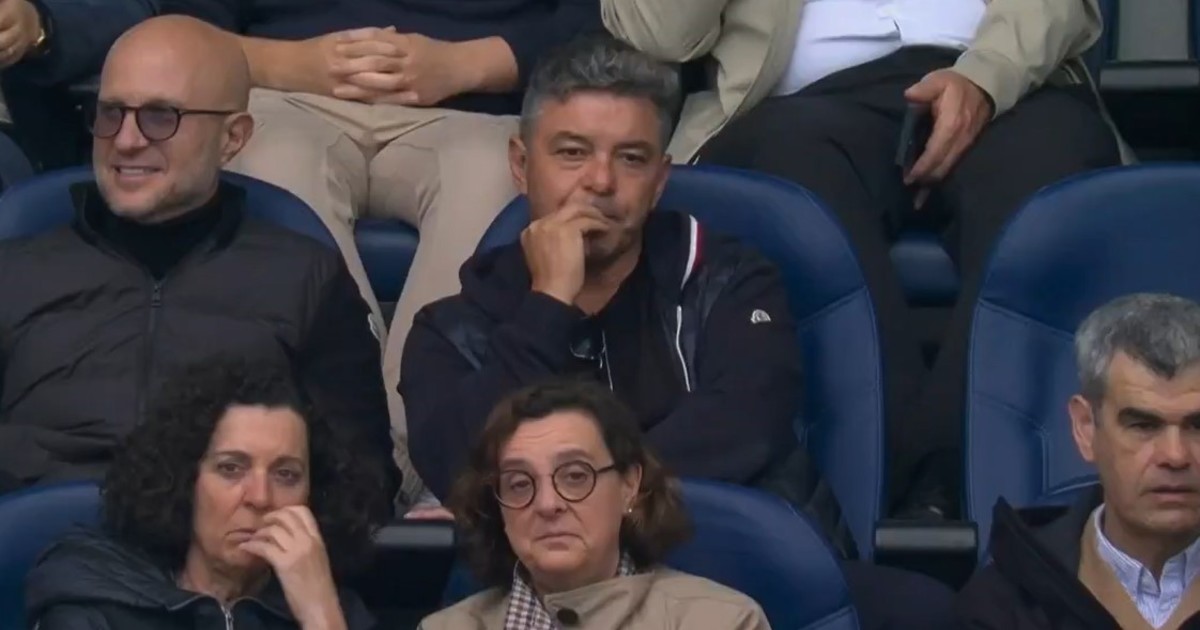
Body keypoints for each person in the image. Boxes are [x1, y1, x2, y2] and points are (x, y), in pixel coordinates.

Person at [404, 36, 957, 630]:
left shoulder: (730, 280)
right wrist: (548, 305)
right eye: (571, 153)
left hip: (740, 573)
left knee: (928, 611)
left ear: (661, 178)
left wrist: (584, 490)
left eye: (631, 158)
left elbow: (746, 424)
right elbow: (463, 467)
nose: (600, 181)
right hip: (551, 597)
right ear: (520, 165)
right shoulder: (453, 328)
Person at [601, 0, 1125, 517]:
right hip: (803, 105)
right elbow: (657, 33)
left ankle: (951, 472)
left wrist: (988, 79)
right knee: (787, 186)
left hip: (1007, 87)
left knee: (1051, 186)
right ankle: (887, 478)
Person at [156, 0, 604, 506]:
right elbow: (182, 24)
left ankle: (423, 462)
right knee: (266, 160)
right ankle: (347, 454)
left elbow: (599, 19)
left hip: (472, 107)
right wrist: (285, 63)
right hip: (285, 96)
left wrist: (468, 63)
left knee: (496, 174)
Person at [0, 15, 396, 500]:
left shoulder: (305, 279)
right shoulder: (14, 273)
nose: (126, 140)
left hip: (232, 540)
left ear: (233, 138)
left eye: (160, 116)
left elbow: (361, 482)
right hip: (35, 536)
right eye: (110, 112)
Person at [24, 357, 389, 630]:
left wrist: (320, 615)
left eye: (286, 474)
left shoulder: (338, 612)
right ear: (185, 479)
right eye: (231, 468)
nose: (260, 497)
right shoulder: (95, 602)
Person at [419, 378, 770, 629]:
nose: (547, 504)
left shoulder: (722, 621)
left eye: (575, 476)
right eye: (520, 484)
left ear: (629, 485)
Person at [957, 294, 1200, 629]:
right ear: (1086, 429)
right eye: (1143, 426)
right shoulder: (1003, 606)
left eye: (1198, 426)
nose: (1175, 455)